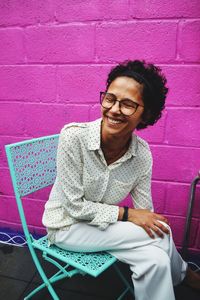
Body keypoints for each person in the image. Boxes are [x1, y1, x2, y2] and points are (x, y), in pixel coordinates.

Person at [42, 60, 200, 300]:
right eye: (110, 98)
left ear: (145, 114)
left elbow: (144, 211)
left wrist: (140, 217)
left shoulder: (142, 154)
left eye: (127, 104)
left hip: (103, 227)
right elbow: (74, 207)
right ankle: (185, 275)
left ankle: (178, 274)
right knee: (163, 232)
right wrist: (127, 215)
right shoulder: (74, 137)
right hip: (66, 226)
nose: (114, 109)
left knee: (155, 260)